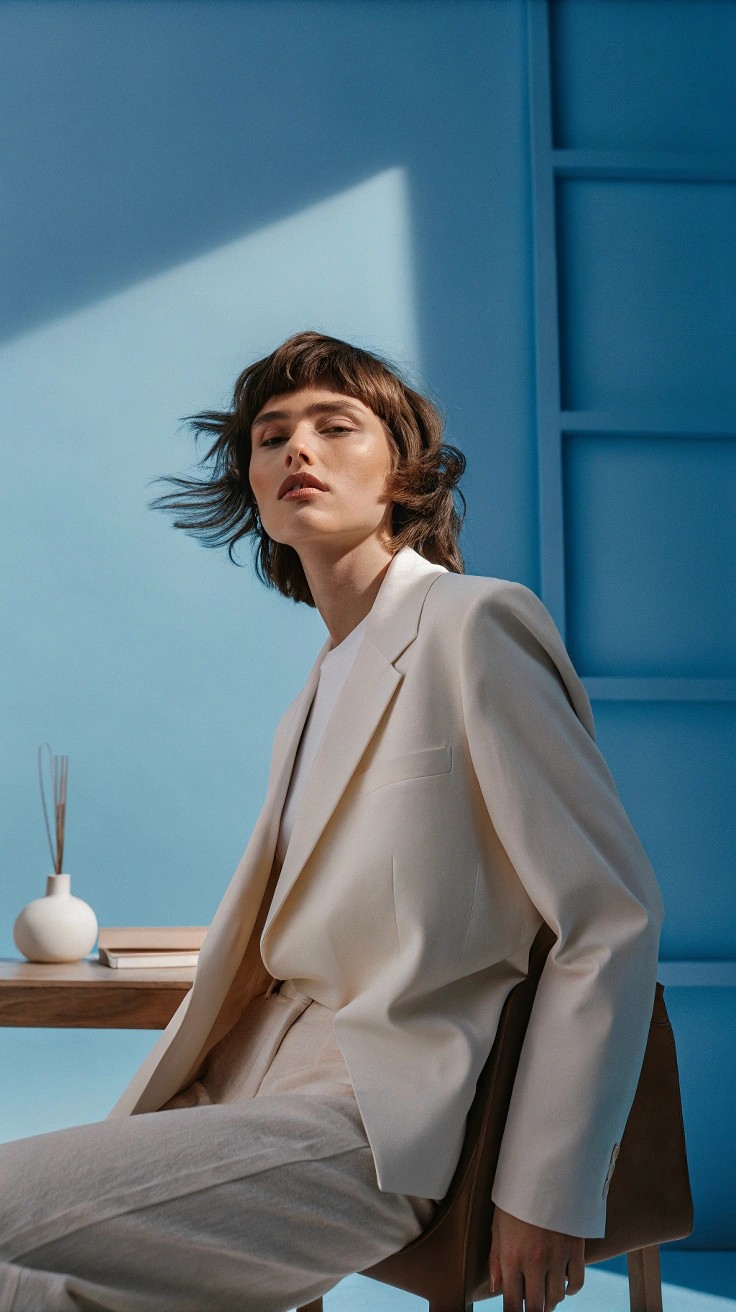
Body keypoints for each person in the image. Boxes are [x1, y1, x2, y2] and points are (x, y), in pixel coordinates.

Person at [0, 331, 664, 1312]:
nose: (294, 449)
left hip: (378, 1113)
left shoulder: (473, 625)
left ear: (404, 473)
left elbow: (606, 914)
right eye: (270, 437)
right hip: (249, 1091)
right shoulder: (313, 691)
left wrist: (546, 1186)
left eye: (333, 425)